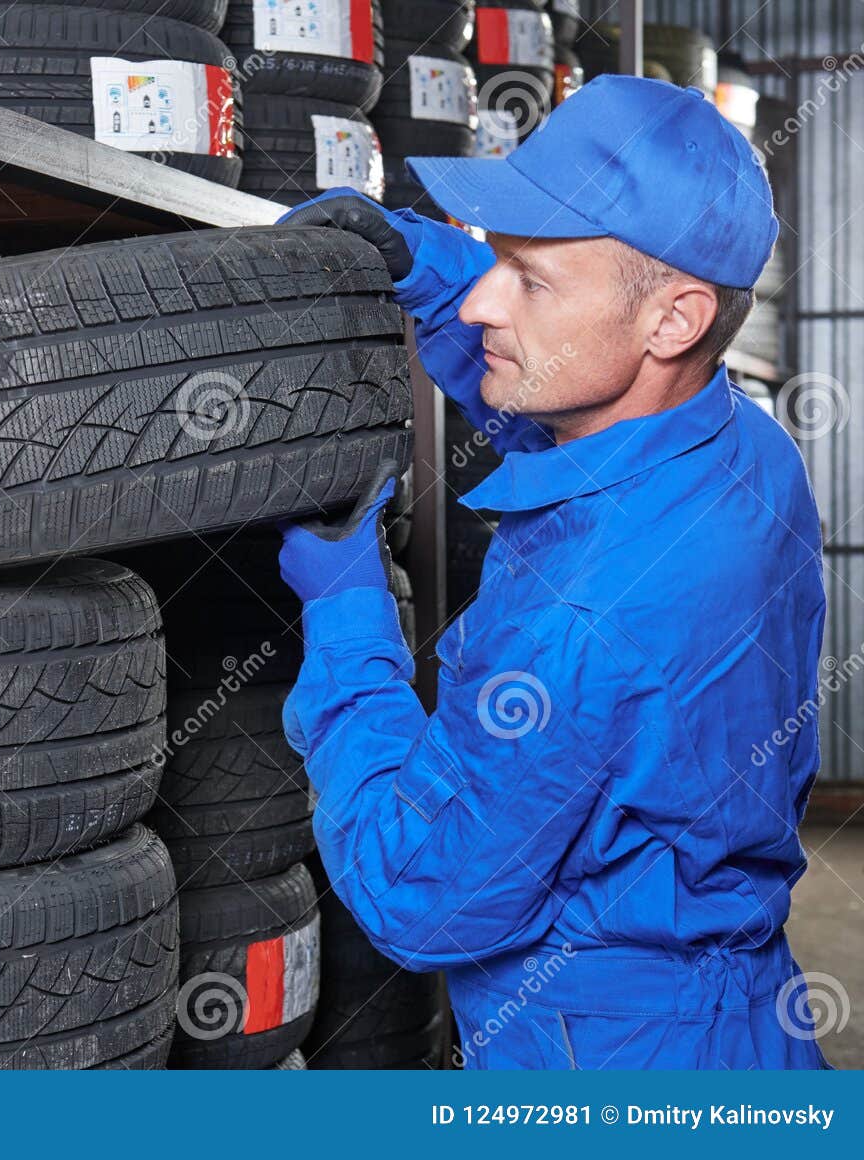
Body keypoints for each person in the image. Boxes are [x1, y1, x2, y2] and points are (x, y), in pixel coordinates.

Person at [276, 74, 829, 1069]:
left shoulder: (587, 616)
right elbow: (554, 390)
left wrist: (348, 616)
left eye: (527, 279)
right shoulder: (746, 446)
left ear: (674, 319)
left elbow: (420, 893)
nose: (489, 298)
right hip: (736, 1021)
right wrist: (426, 260)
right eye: (495, 257)